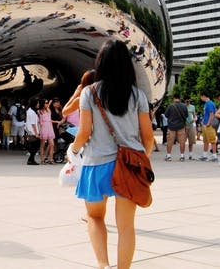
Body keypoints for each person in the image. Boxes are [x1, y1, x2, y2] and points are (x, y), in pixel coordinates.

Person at [69, 39, 153, 269]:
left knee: (95, 217)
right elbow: (148, 138)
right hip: (130, 165)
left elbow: (85, 132)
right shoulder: (138, 96)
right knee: (126, 226)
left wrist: (73, 151)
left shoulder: (89, 92)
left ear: (101, 63)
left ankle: (103, 265)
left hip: (97, 163)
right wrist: (140, 158)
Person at [163, 95, 188, 161]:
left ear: (173, 98)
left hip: (171, 126)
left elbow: (166, 115)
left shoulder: (170, 106)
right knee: (182, 141)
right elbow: (186, 115)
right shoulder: (184, 106)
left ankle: (168, 156)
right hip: (181, 126)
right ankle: (182, 156)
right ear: (179, 98)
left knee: (170, 141)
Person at [199, 93, 218, 162]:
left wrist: (208, 123)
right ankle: (205, 155)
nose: (201, 98)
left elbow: (211, 113)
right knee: (206, 140)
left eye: (201, 97)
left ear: (204, 96)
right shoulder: (207, 103)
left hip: (209, 125)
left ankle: (214, 155)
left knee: (212, 140)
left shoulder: (210, 103)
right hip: (205, 124)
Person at [38, 98, 57, 164]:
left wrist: (50, 103)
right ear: (42, 104)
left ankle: (50, 159)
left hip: (49, 127)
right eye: (45, 103)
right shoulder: (39, 111)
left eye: (47, 102)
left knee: (52, 144)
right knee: (42, 145)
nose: (47, 104)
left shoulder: (48, 110)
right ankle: (42, 159)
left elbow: (49, 119)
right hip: (43, 128)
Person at [24, 98, 40, 165]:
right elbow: (33, 124)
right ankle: (30, 160)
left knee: (34, 146)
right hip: (33, 131)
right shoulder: (32, 112)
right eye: (38, 103)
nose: (38, 104)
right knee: (36, 146)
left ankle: (31, 160)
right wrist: (36, 133)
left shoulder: (30, 110)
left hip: (31, 130)